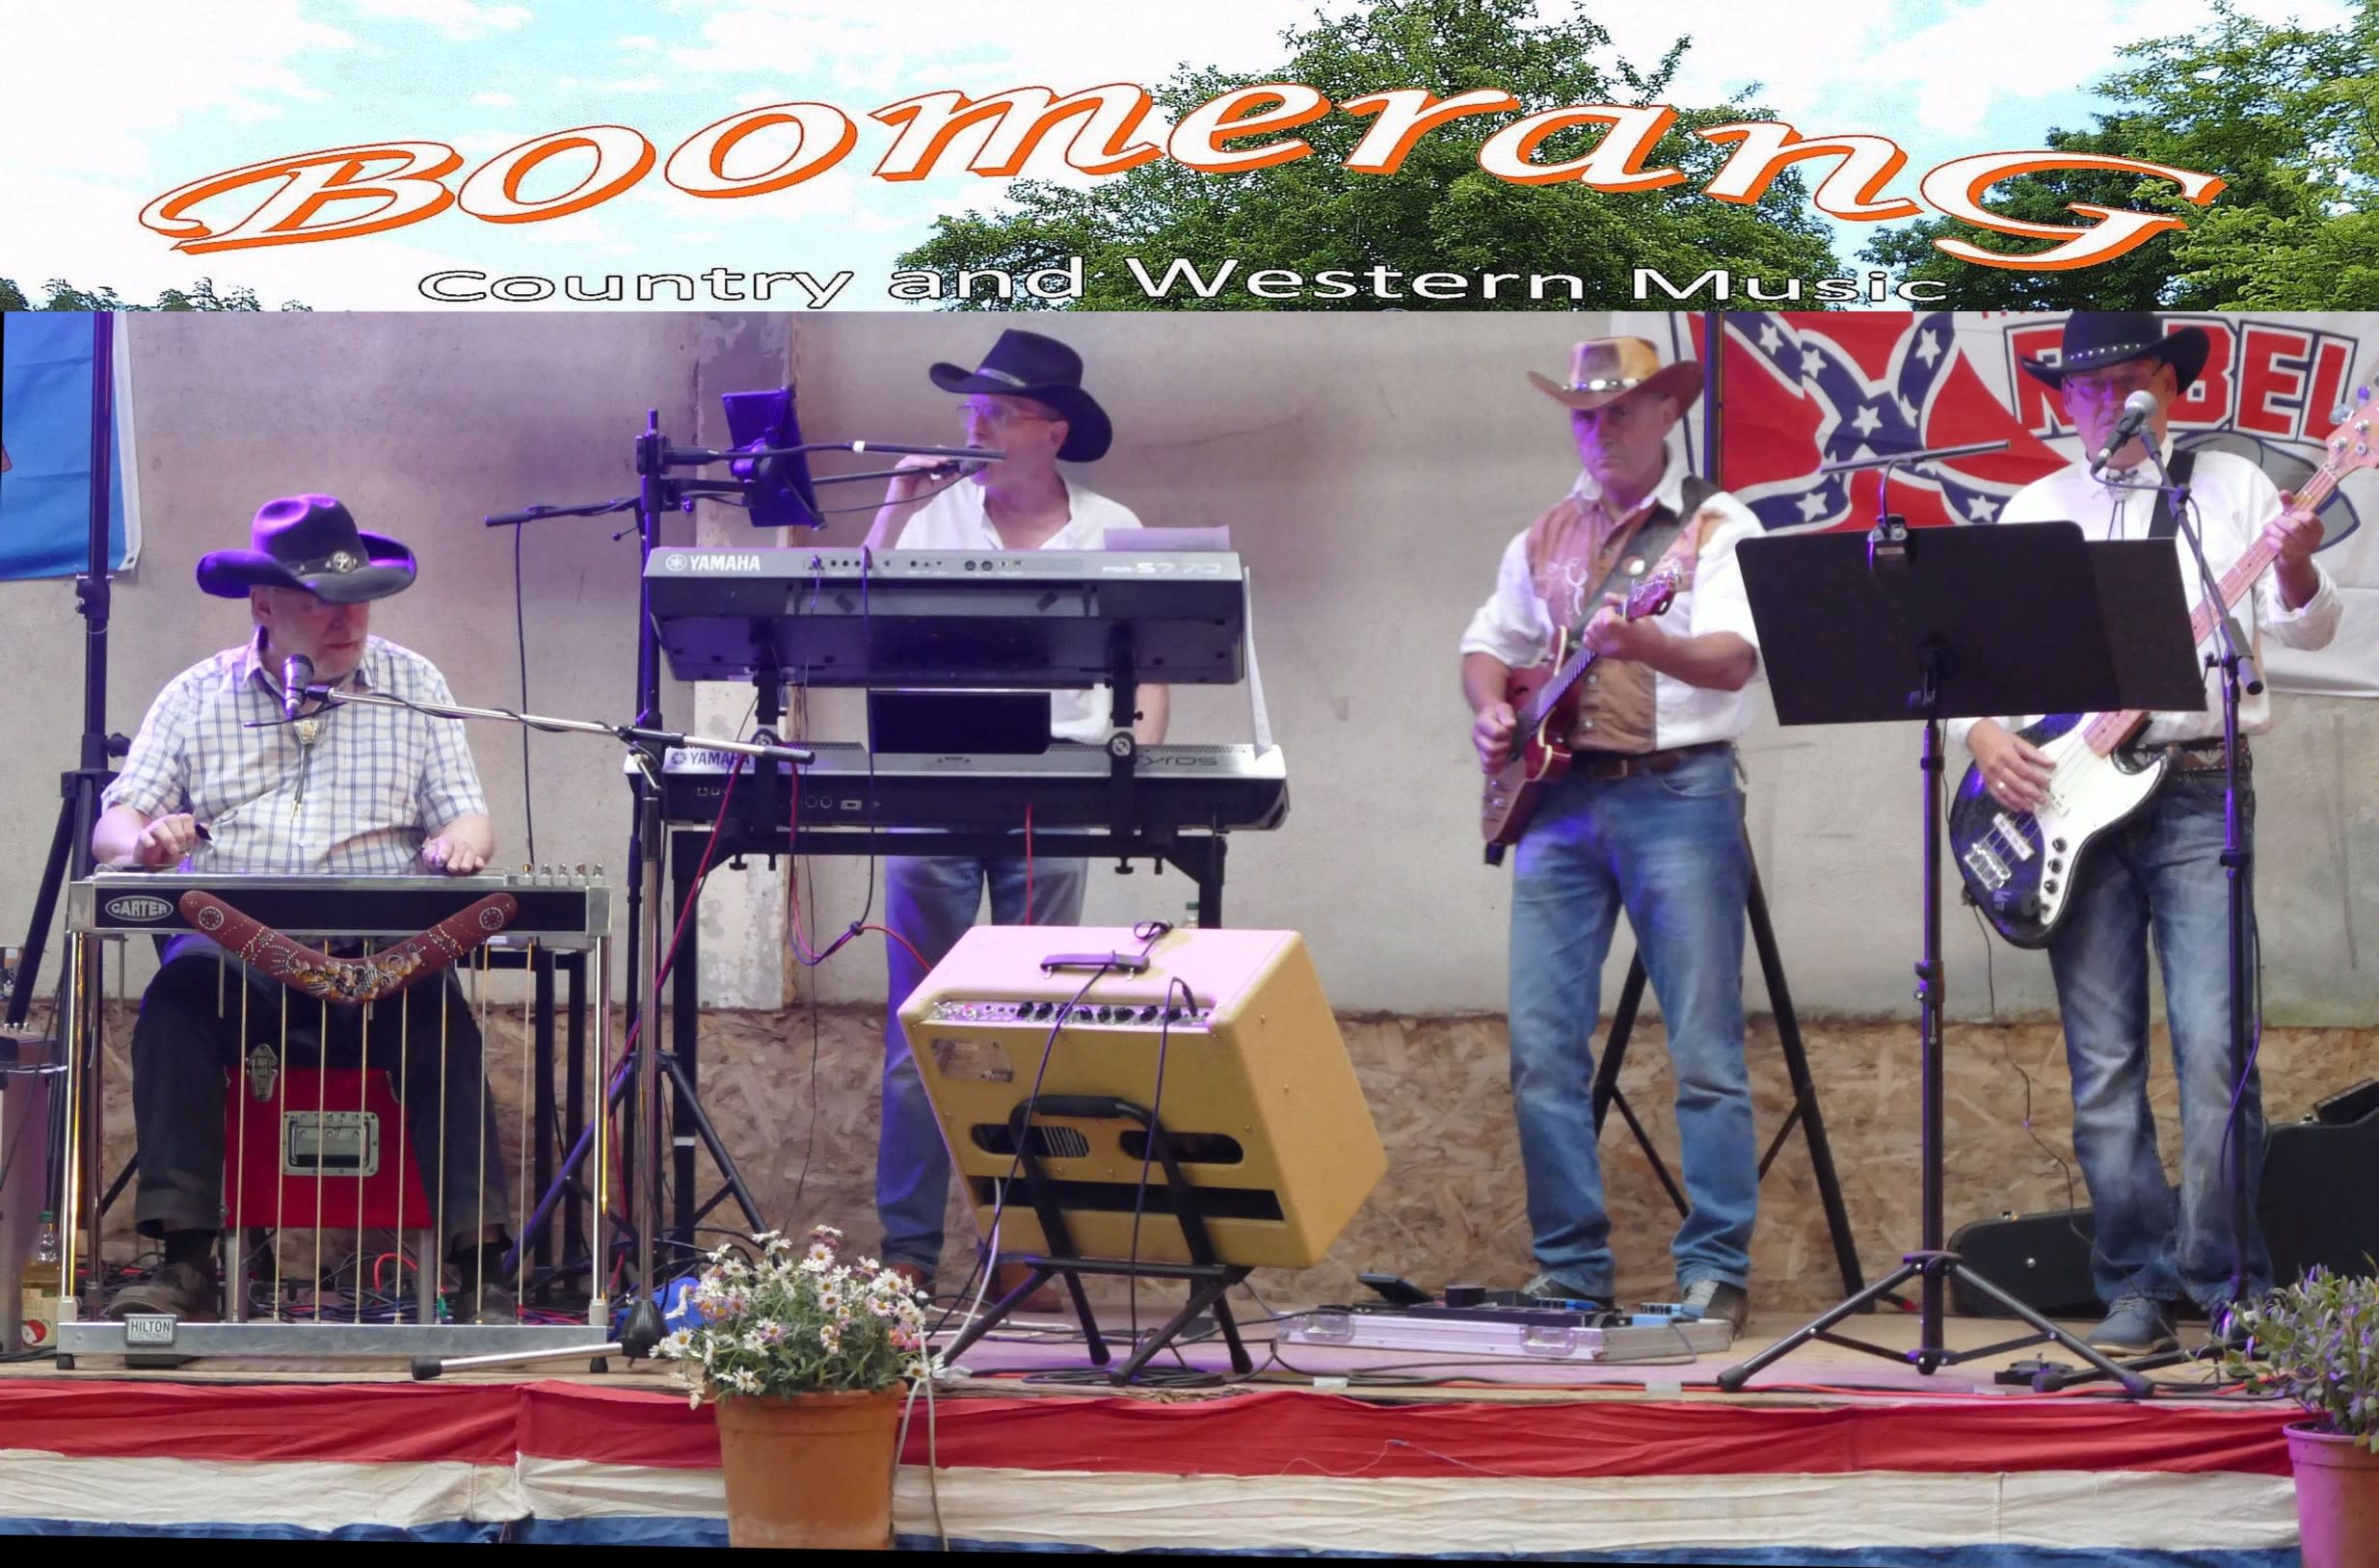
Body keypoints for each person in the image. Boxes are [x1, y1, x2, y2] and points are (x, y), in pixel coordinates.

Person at [1955, 312, 2339, 1354]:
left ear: (2167, 388)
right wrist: (1980, 732)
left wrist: (2296, 565)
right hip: (2069, 805)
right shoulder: (2036, 508)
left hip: (2198, 789)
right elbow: (1972, 658)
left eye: (2123, 383)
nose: (2102, 405)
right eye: (2083, 389)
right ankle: (2132, 1279)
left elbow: (2307, 625)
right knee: (2103, 1064)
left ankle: (2226, 1281)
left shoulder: (2231, 488)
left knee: (2216, 1052)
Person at [94, 495, 518, 1323]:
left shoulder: (413, 685)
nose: (346, 619)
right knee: (176, 999)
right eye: (322, 601)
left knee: (441, 1019)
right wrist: (143, 844)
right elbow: (117, 821)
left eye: (358, 598)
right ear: (263, 604)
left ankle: (482, 1272)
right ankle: (185, 1261)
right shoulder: (196, 695)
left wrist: (459, 845)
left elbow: (469, 815)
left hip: (378, 959)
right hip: (239, 959)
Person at [1458, 337, 1765, 1334]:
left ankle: (1713, 1269)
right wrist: (1490, 711)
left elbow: (1732, 661)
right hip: (1557, 799)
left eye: (1620, 412)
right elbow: (1489, 642)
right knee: (1541, 1046)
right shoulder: (1545, 531)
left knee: (1703, 1046)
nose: (1599, 432)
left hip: (1677, 793)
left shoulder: (1715, 526)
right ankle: (1570, 1269)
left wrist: (1645, 642)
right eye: (1584, 416)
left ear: (1667, 413)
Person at [861, 330, 1167, 1304]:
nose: (973, 426)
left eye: (994, 411)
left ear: (1051, 430)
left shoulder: (1112, 525)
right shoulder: (934, 513)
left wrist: (1136, 769)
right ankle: (910, 1250)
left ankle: (1027, 1243)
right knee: (921, 1025)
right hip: (937, 784)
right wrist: (896, 501)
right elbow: (851, 612)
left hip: (1059, 786)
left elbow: (1152, 661)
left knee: (1038, 1024)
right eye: (969, 409)